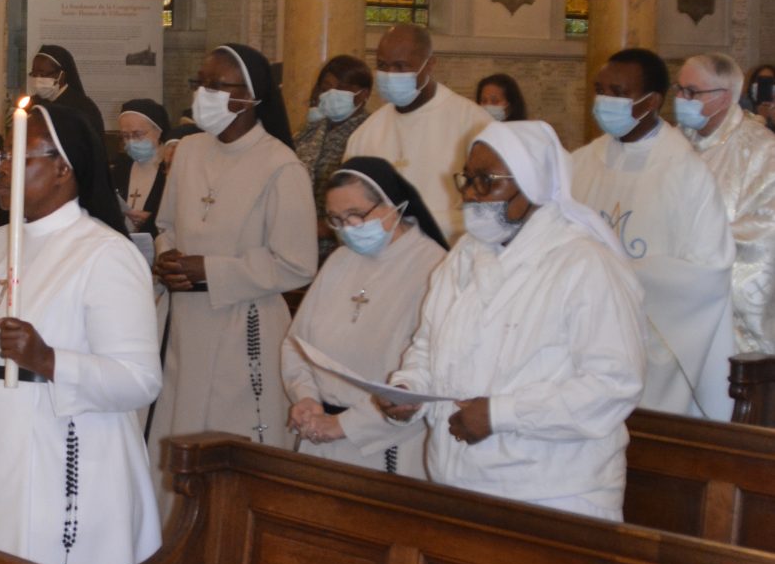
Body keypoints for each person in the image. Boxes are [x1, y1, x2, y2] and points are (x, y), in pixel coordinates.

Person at [0, 103, 161, 564]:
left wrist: (50, 360)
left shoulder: (104, 254)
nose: (4, 167)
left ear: (63, 168)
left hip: (64, 452)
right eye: (1, 157)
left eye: (19, 156)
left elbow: (140, 380)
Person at [379, 123, 647, 520]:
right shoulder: (463, 257)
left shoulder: (584, 264)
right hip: (459, 480)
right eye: (468, 179)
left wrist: (501, 414)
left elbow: (613, 385)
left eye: (487, 182)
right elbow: (428, 345)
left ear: (533, 185)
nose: (470, 193)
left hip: (552, 492)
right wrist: (409, 390)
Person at [149, 43, 317, 457]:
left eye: (215, 85)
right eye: (200, 84)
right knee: (175, 426)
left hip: (244, 322)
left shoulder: (281, 166)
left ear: (248, 96)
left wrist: (208, 269)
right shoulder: (188, 151)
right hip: (183, 321)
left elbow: (296, 264)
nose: (202, 94)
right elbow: (165, 225)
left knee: (227, 437)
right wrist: (167, 257)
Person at [570, 47, 735, 420]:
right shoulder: (580, 163)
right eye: (600, 89)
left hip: (652, 343)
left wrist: (625, 273)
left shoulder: (686, 173)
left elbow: (710, 271)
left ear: (652, 102)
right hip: (579, 337)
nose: (604, 100)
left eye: (618, 92)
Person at [281, 159, 446, 477]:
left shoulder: (435, 267)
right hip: (319, 434)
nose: (347, 228)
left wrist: (345, 425)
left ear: (391, 204)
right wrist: (305, 397)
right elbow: (295, 342)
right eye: (336, 220)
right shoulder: (340, 261)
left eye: (356, 215)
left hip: (387, 443)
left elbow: (429, 376)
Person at [675, 51, 775, 359]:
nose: (681, 98)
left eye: (691, 92)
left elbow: (765, 230)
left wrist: (691, 251)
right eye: (679, 89)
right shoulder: (673, 142)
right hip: (671, 300)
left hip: (718, 304)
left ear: (725, 97)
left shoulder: (761, 150)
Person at [346, 25, 486, 242]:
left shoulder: (473, 122)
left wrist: (417, 226)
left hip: (448, 254)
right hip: (383, 260)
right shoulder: (366, 133)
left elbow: (489, 206)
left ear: (429, 64)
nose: (390, 75)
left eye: (401, 67)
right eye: (383, 66)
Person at [294, 55, 372, 228]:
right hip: (299, 233)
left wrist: (322, 229)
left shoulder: (370, 133)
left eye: (341, 88)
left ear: (363, 94)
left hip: (342, 238)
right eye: (326, 88)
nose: (331, 94)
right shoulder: (310, 130)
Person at [111, 97, 171, 238]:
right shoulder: (122, 166)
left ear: (158, 131)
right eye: (125, 136)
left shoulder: (171, 166)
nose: (131, 141)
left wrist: (151, 219)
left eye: (137, 134)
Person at [26, 44, 104, 132]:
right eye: (34, 74)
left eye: (42, 74)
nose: (37, 79)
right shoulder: (33, 104)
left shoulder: (83, 108)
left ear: (61, 75)